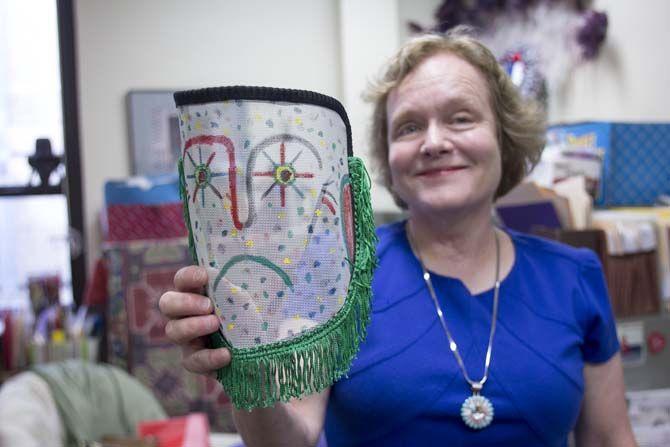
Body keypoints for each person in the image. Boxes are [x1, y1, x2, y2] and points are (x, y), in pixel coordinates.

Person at [159, 29, 637, 446]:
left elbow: (611, 437)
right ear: (389, 157)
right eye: (409, 126)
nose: (433, 142)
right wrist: (247, 359)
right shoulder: (334, 272)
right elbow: (290, 439)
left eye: (461, 118)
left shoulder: (574, 277)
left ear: (505, 137)